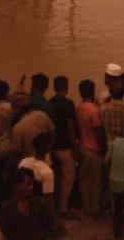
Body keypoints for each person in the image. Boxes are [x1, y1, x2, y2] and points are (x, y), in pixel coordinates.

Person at [46, 76, 77, 217]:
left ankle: (55, 206)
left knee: (57, 178)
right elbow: (70, 126)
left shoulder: (49, 103)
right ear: (66, 87)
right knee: (67, 179)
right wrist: (74, 145)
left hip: (52, 147)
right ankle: (63, 209)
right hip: (65, 147)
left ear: (54, 87)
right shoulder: (69, 104)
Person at [75, 79, 105, 216]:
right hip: (94, 149)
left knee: (84, 179)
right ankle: (95, 209)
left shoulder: (78, 107)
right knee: (96, 182)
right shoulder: (94, 110)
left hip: (82, 147)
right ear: (92, 91)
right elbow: (98, 130)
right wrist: (103, 148)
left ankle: (86, 207)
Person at [0, 168, 54, 240]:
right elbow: (5, 234)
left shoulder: (39, 205)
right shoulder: (6, 208)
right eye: (28, 184)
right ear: (17, 185)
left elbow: (48, 229)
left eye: (32, 184)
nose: (32, 187)